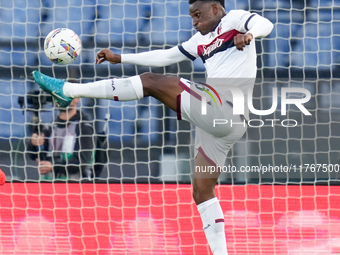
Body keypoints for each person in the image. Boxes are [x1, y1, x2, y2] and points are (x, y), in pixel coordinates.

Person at [32, 0, 273, 254]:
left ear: (215, 8)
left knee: (149, 82)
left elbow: (264, 23)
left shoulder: (234, 20)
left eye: (197, 15)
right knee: (202, 191)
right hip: (220, 125)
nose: (194, 21)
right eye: (191, 16)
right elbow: (165, 56)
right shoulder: (199, 41)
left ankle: (68, 91)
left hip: (226, 107)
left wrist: (249, 34)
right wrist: (121, 57)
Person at [27, 98, 96, 180]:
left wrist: (54, 166)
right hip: (48, 186)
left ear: (77, 98)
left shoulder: (84, 128)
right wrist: (33, 143)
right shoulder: (50, 127)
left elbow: (82, 161)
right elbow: (35, 155)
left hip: (76, 187)